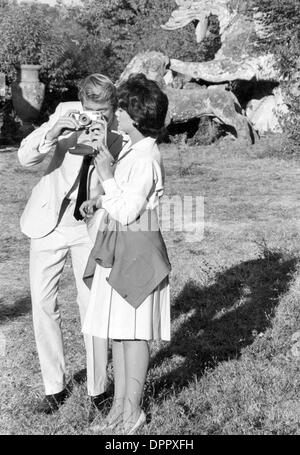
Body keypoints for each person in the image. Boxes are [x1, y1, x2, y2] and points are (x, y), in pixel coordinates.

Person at [18, 74, 128, 415]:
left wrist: (104, 148)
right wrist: (53, 134)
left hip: (89, 226)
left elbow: (120, 189)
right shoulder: (64, 114)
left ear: (115, 107)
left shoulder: (123, 134)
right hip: (48, 223)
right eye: (91, 109)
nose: (97, 115)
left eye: (104, 110)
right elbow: (26, 159)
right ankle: (55, 386)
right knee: (43, 304)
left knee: (91, 307)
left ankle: (98, 388)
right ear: (81, 104)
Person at [80, 73, 171, 435]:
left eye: (120, 110)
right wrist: (100, 199)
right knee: (119, 332)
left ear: (134, 117)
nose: (114, 115)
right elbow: (124, 199)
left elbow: (129, 210)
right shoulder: (136, 149)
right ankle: (118, 411)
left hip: (136, 251)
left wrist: (105, 175)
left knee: (133, 335)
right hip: (123, 245)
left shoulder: (146, 155)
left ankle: (132, 413)